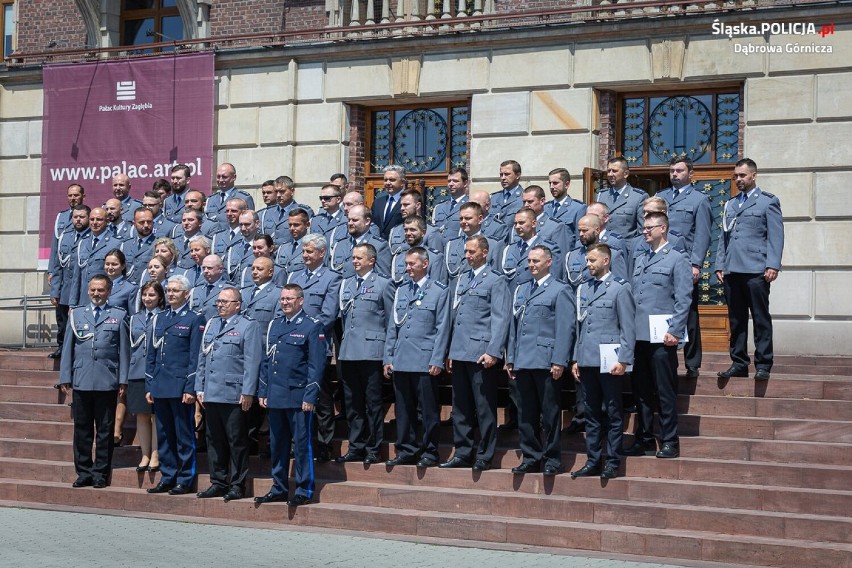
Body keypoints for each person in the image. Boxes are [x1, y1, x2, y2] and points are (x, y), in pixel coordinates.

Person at [624, 212, 692, 459]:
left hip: (663, 336)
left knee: (664, 390)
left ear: (663, 229)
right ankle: (643, 437)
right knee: (641, 391)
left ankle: (669, 440)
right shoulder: (640, 259)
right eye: (644, 227)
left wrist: (675, 330)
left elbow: (683, 299)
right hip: (639, 335)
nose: (645, 231)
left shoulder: (677, 259)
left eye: (650, 227)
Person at [440, 235, 510, 471]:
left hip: (481, 353)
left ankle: (485, 454)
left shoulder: (495, 280)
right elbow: (456, 317)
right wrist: (449, 350)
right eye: (466, 252)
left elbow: (500, 318)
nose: (467, 256)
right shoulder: (462, 278)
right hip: (460, 351)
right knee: (460, 406)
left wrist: (493, 351)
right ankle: (462, 451)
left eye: (472, 252)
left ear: (485, 252)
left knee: (483, 406)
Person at [506, 245, 575, 476]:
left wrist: (559, 361)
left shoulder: (559, 290)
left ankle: (552, 459)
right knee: (526, 412)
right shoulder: (521, 289)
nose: (531, 265)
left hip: (546, 361)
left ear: (549, 262)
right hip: (523, 360)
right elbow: (514, 328)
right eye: (529, 261)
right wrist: (511, 358)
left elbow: (565, 328)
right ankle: (531, 456)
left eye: (536, 261)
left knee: (550, 413)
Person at [255, 284, 327, 507]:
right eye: (283, 299)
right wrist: (263, 390)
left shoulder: (312, 326)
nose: (285, 302)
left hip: (298, 397)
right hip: (276, 395)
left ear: (301, 301)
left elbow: (317, 365)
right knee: (278, 444)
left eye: (290, 299)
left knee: (302, 444)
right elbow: (267, 361)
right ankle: (279, 487)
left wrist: (310, 396)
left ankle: (304, 489)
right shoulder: (275, 325)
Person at [569, 244, 635, 480]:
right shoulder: (583, 289)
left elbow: (627, 327)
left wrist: (625, 359)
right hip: (587, 359)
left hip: (610, 361)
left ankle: (613, 461)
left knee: (613, 413)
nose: (588, 264)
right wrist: (576, 358)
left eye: (593, 260)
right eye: (587, 260)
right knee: (592, 413)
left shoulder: (619, 288)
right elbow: (579, 326)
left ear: (606, 260)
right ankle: (593, 460)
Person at [715, 158, 784, 382]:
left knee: (760, 318)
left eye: (742, 176)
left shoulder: (767, 202)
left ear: (753, 176)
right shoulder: (730, 204)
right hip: (732, 270)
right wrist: (720, 264)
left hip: (756, 270)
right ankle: (739, 362)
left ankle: (763, 364)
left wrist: (773, 264)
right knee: (736, 320)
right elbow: (723, 238)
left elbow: (776, 236)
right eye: (736, 176)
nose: (738, 179)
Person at [59, 274, 129, 488]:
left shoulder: (118, 315)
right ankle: (84, 472)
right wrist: (65, 376)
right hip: (81, 379)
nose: (96, 294)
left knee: (105, 430)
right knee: (82, 429)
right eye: (93, 290)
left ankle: (100, 473)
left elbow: (124, 351)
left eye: (101, 290)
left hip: (106, 380)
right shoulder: (77, 314)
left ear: (109, 292)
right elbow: (68, 348)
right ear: (88, 291)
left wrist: (123, 380)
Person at [384, 247, 451, 468]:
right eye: (406, 264)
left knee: (428, 411)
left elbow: (442, 328)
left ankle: (430, 452)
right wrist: (388, 357)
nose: (408, 268)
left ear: (425, 264)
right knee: (404, 410)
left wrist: (437, 359)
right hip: (402, 360)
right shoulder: (401, 290)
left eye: (412, 264)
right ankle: (406, 449)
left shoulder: (439, 291)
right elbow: (393, 326)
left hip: (424, 361)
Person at [195, 287, 261, 502]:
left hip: (234, 393)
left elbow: (252, 362)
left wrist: (248, 391)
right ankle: (218, 481)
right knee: (214, 440)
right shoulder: (212, 324)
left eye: (225, 302)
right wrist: (200, 387)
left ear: (237, 304)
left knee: (236, 441)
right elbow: (202, 358)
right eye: (219, 302)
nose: (220, 305)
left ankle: (237, 484)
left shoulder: (247, 326)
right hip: (212, 392)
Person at [145, 274, 205, 495]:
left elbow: (195, 356)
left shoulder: (194, 319)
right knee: (164, 435)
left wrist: (190, 387)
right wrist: (149, 385)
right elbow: (151, 353)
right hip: (160, 385)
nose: (170, 294)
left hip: (180, 387)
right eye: (168, 290)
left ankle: (185, 477)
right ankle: (168, 475)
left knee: (183, 436)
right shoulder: (159, 318)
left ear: (187, 294)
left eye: (175, 291)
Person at [336, 243, 394, 464]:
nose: (355, 261)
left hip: (371, 352)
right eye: (353, 257)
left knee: (373, 403)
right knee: (352, 404)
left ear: (371, 260)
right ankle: (355, 446)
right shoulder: (347, 284)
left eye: (359, 258)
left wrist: (388, 355)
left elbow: (390, 322)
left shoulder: (383, 284)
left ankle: (373, 447)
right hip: (349, 351)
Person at [287, 233, 342, 463]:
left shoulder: (332, 278)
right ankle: (299, 441)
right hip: (294, 346)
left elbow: (328, 315)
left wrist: (305, 331)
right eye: (304, 251)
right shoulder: (295, 276)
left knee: (320, 395)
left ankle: (324, 443)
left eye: (310, 252)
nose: (305, 255)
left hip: (317, 344)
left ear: (322, 253)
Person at [656, 158, 713, 379]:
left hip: (684, 264)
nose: (675, 174)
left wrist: (696, 263)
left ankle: (692, 363)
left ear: (691, 173)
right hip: (660, 264)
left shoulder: (699, 200)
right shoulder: (661, 198)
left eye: (679, 170)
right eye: (671, 170)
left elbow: (702, 234)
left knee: (688, 313)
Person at [127, 281, 164, 473]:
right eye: (145, 295)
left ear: (159, 297)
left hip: (156, 372)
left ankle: (156, 453)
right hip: (137, 371)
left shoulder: (164, 317)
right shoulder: (134, 318)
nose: (148, 299)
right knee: (141, 414)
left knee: (155, 415)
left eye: (152, 295)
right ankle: (145, 454)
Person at [48, 203, 90, 359]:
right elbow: (58, 266)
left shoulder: (92, 236)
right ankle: (62, 349)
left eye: (82, 217)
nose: (78, 220)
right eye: (75, 217)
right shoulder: (65, 236)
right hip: (65, 289)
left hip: (83, 291)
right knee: (63, 323)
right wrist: (55, 291)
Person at [501, 207, 563, 290]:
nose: (517, 226)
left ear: (534, 223)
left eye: (521, 223)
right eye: (515, 223)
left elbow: (554, 281)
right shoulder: (509, 249)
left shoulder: (549, 248)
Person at [70, 207, 119, 307]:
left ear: (107, 221)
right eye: (92, 219)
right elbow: (76, 277)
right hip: (84, 301)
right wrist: (72, 304)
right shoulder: (82, 243)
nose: (95, 222)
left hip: (105, 300)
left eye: (99, 219)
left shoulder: (116, 243)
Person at [330, 205, 391, 278]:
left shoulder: (379, 246)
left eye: (355, 220)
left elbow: (382, 279)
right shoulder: (340, 244)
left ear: (367, 221)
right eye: (349, 220)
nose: (350, 223)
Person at [595, 157, 648, 239]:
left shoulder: (639, 197)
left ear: (626, 174)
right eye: (609, 171)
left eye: (614, 171)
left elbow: (642, 231)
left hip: (626, 249)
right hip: (603, 248)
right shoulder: (601, 195)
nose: (610, 174)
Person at [390, 216, 448, 285]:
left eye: (412, 230)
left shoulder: (434, 258)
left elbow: (436, 289)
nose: (408, 233)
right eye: (406, 230)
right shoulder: (398, 258)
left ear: (423, 232)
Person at [262, 176, 314, 245]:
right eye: (276, 191)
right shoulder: (266, 213)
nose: (278, 195)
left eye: (282, 191)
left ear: (292, 191)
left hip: (292, 253)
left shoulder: (304, 211)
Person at [206, 163, 255, 230]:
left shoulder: (244, 198)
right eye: (218, 177)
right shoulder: (211, 199)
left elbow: (250, 222)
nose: (220, 180)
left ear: (234, 177)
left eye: (224, 177)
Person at [547, 168, 586, 249]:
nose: (551, 187)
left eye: (555, 183)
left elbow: (580, 239)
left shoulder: (578, 208)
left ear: (566, 184)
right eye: (550, 183)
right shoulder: (545, 208)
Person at [432, 167, 470, 238]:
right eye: (449, 181)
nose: (451, 184)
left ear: (465, 183)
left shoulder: (470, 205)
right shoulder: (439, 207)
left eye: (455, 181)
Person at [122, 207, 156, 284]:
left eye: (149, 222)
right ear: (134, 224)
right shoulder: (126, 245)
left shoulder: (158, 244)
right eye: (142, 222)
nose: (146, 225)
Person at [371, 164, 406, 240]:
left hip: (399, 246)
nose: (387, 183)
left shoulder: (407, 201)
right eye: (385, 180)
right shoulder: (378, 202)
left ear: (402, 182)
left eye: (392, 180)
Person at [190, 254, 230, 319]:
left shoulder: (229, 290)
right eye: (203, 268)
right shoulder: (195, 290)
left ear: (220, 269)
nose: (205, 271)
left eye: (209, 268)